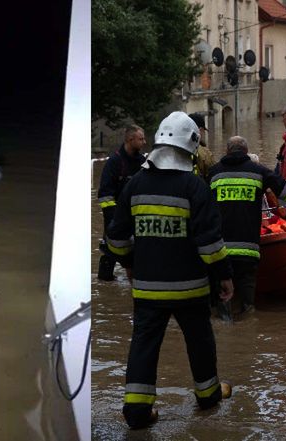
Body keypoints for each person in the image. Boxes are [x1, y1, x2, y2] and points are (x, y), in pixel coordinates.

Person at [104, 111, 234, 429]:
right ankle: (208, 396)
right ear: (191, 146)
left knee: (144, 344)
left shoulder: (135, 185)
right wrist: (224, 276)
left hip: (147, 288)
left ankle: (136, 412)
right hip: (191, 288)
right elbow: (210, 245)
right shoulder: (194, 187)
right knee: (200, 341)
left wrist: (131, 265)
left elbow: (116, 239)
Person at [207, 136, 286, 316]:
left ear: (226, 151)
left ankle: (224, 324)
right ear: (246, 152)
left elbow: (203, 206)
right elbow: (285, 190)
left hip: (220, 250)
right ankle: (248, 328)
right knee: (248, 302)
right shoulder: (258, 171)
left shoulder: (213, 173)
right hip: (248, 250)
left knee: (222, 301)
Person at [96, 124, 147, 280]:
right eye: (141, 139)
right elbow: (105, 194)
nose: (144, 142)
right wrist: (113, 219)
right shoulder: (114, 162)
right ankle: (105, 281)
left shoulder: (143, 162)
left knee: (139, 250)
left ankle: (135, 277)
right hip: (116, 216)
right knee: (109, 250)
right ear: (130, 140)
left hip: (137, 215)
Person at [188, 112, 215, 179]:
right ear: (200, 130)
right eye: (203, 131)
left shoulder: (173, 148)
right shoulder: (204, 153)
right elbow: (213, 173)